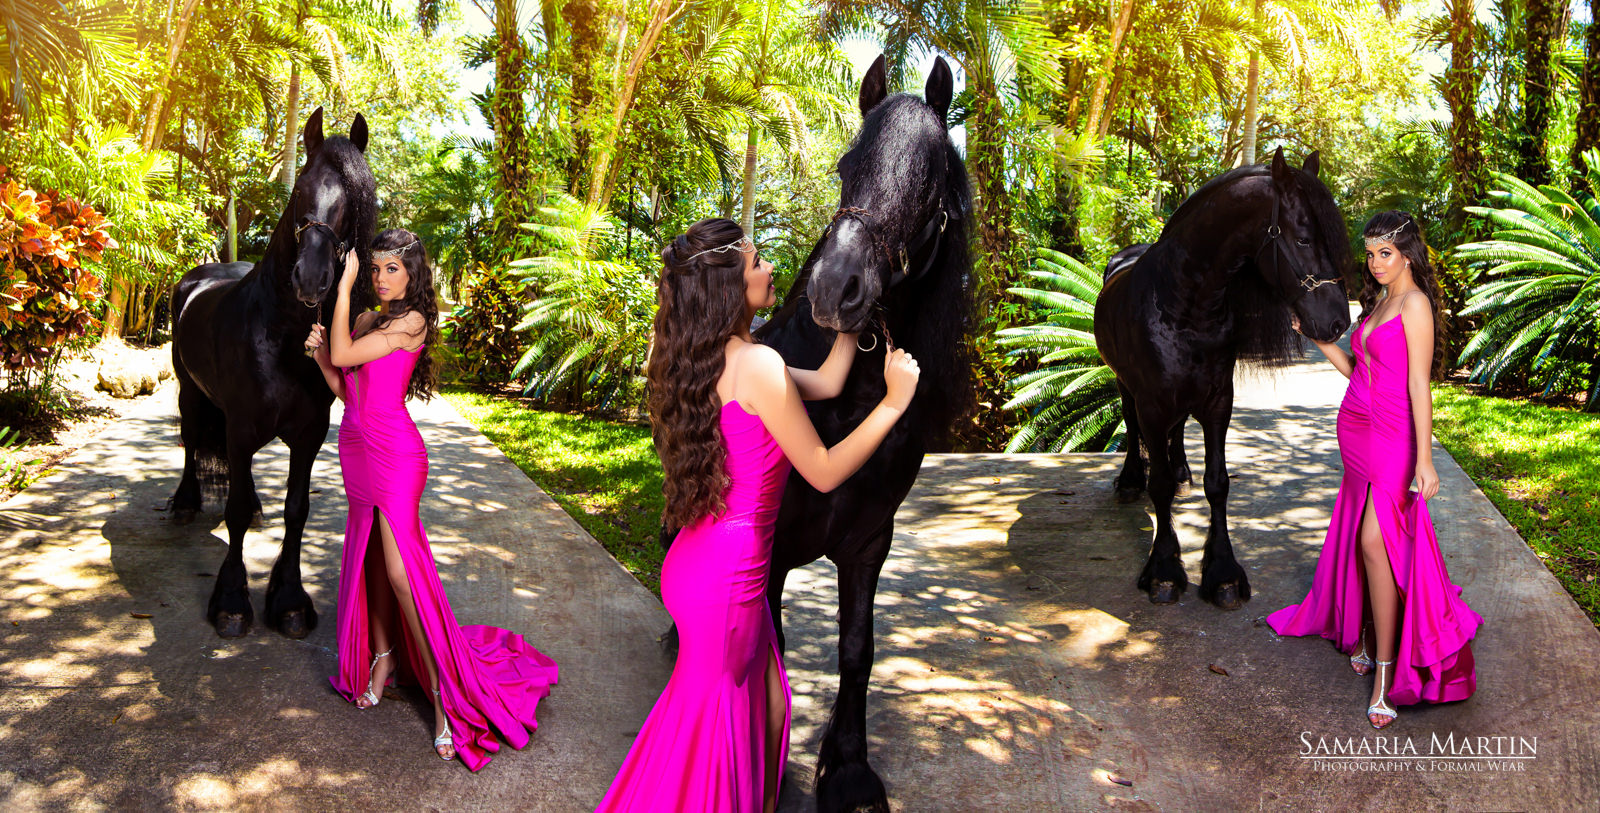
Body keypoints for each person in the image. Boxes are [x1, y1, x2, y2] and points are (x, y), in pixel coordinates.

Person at [596, 218, 920, 812]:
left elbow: (823, 382)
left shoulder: (698, 359)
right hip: (730, 578)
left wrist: (848, 324)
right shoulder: (760, 367)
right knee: (707, 741)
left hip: (697, 563)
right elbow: (821, 469)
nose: (770, 269)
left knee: (769, 711)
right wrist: (893, 405)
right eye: (755, 262)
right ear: (729, 289)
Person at [305, 229, 559, 768]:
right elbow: (350, 389)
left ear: (413, 273)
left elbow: (348, 351)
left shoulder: (411, 322)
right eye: (373, 270)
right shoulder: (371, 318)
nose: (379, 278)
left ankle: (444, 694)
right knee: (371, 562)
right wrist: (323, 362)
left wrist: (341, 293)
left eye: (390, 269)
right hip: (355, 447)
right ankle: (382, 659)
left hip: (396, 455)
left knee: (400, 572)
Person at [1268, 210, 1480, 728]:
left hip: (1393, 437)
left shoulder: (1415, 304)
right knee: (1364, 539)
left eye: (1385, 252)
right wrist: (1317, 341)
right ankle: (1367, 632)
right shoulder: (1379, 302)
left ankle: (1386, 670)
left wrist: (1425, 459)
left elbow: (1418, 387)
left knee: (1373, 540)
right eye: (1370, 253)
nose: (1376, 262)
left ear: (1407, 253)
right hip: (1356, 433)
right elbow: (1356, 368)